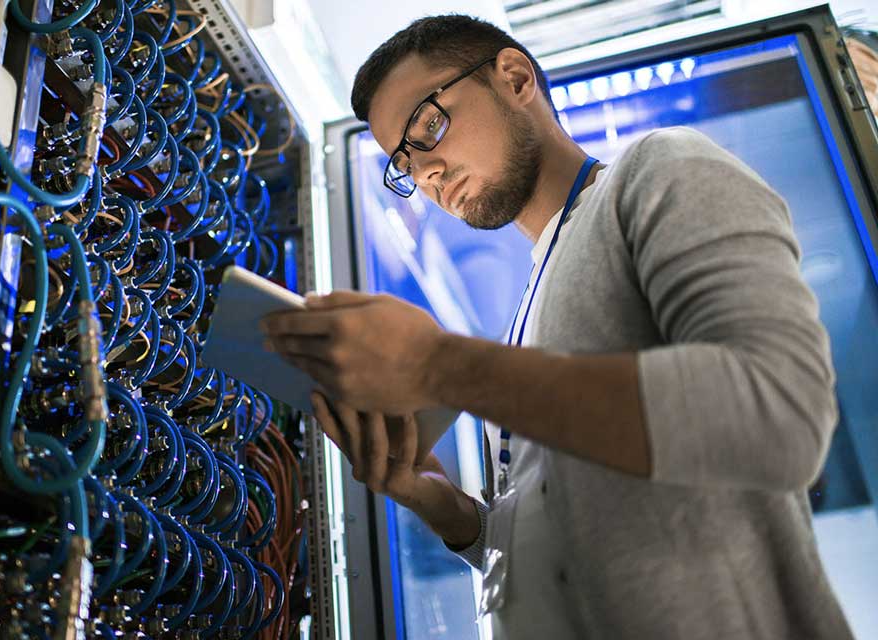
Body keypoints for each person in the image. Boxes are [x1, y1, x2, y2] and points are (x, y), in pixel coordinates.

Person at [262, 14, 854, 639]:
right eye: (403, 164)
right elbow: (563, 545)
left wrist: (438, 364)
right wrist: (442, 504)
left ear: (516, 78)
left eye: (428, 125)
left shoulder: (660, 169)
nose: (425, 173)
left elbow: (778, 412)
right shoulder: (525, 314)